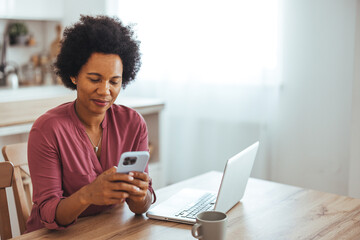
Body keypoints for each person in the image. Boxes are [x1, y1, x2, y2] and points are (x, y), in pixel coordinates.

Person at [26, 15, 155, 232]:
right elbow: (47, 212)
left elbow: (141, 205)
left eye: (114, 81)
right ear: (74, 76)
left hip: (106, 231)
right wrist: (88, 194)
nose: (105, 91)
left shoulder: (133, 123)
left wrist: (141, 196)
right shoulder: (48, 129)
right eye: (95, 79)